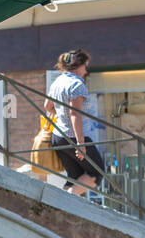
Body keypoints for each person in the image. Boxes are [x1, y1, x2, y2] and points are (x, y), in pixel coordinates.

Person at [43, 49, 105, 195]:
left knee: (75, 177)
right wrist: (81, 143)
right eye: (85, 66)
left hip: (58, 137)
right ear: (79, 65)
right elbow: (74, 113)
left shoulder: (58, 82)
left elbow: (47, 106)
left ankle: (60, 206)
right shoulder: (77, 85)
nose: (86, 70)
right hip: (73, 137)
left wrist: (62, 116)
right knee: (97, 172)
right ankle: (65, 202)